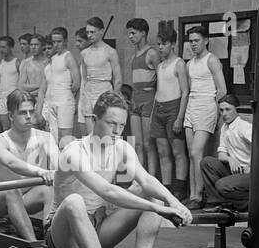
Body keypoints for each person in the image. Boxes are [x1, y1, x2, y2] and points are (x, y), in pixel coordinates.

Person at [45, 90, 193, 248]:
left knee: (150, 192)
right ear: (95, 119)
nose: (117, 131)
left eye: (122, 125)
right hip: (64, 237)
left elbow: (147, 180)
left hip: (98, 229)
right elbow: (107, 191)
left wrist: (175, 204)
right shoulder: (74, 151)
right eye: (111, 123)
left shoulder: (121, 147)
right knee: (75, 202)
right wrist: (160, 210)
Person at [0, 88, 59, 241]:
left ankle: (51, 242)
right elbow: (11, 162)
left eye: (31, 112)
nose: (28, 117)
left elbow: (57, 161)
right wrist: (41, 172)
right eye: (22, 113)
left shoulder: (46, 138)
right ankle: (33, 245)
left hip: (25, 197)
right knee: (11, 190)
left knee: (49, 190)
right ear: (10, 116)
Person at [182, 27, 228, 209]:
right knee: (191, 154)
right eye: (191, 41)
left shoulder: (212, 60)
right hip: (192, 105)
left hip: (207, 105)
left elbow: (222, 90)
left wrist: (217, 114)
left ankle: (199, 196)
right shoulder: (189, 64)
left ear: (206, 40)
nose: (193, 44)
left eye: (197, 40)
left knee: (196, 152)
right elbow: (188, 89)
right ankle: (193, 194)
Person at [148, 27, 189, 201]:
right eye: (158, 44)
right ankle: (166, 189)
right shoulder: (159, 66)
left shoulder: (179, 64)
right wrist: (152, 114)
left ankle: (179, 189)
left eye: (164, 44)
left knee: (178, 151)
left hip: (174, 108)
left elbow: (185, 92)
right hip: (159, 108)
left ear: (173, 44)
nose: (160, 47)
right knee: (163, 152)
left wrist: (180, 117)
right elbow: (158, 90)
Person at [200, 94, 251, 213]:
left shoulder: (244, 127)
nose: (224, 113)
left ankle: (247, 203)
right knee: (207, 162)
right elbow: (221, 154)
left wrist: (251, 165)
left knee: (222, 185)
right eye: (221, 110)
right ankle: (218, 203)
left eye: (228, 109)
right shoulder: (225, 128)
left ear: (236, 110)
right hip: (236, 171)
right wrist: (230, 159)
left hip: (251, 174)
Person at [125, 18, 159, 176]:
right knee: (137, 143)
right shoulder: (133, 57)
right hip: (135, 99)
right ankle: (140, 178)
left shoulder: (151, 53)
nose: (130, 36)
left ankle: (151, 178)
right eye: (129, 33)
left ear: (143, 33)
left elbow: (162, 78)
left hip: (149, 99)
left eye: (133, 33)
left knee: (148, 143)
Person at [76, 17, 119, 137]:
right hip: (89, 93)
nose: (89, 35)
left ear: (101, 31)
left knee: (106, 134)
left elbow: (118, 78)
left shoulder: (110, 51)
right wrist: (84, 98)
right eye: (88, 32)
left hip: (105, 91)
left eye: (92, 32)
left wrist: (114, 100)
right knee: (91, 136)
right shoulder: (84, 53)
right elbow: (84, 78)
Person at [37, 26, 80, 146]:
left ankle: (67, 163)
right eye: (54, 41)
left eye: (59, 41)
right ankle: (56, 164)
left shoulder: (68, 56)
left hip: (64, 101)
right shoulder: (52, 59)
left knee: (65, 139)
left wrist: (67, 97)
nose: (56, 44)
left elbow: (77, 82)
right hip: (52, 103)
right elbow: (46, 85)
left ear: (65, 41)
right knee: (54, 139)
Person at [0, 35, 21, 132]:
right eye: (0, 47)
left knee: (15, 126)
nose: (1, 49)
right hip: (1, 98)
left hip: (13, 98)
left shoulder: (17, 62)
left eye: (4, 47)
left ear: (11, 47)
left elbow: (22, 81)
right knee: (5, 127)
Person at [17, 33, 48, 120]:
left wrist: (40, 89)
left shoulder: (48, 62)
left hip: (46, 100)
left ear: (42, 46)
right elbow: (20, 86)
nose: (33, 47)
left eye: (36, 44)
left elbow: (50, 85)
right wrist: (40, 86)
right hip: (31, 100)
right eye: (31, 45)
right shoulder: (26, 63)